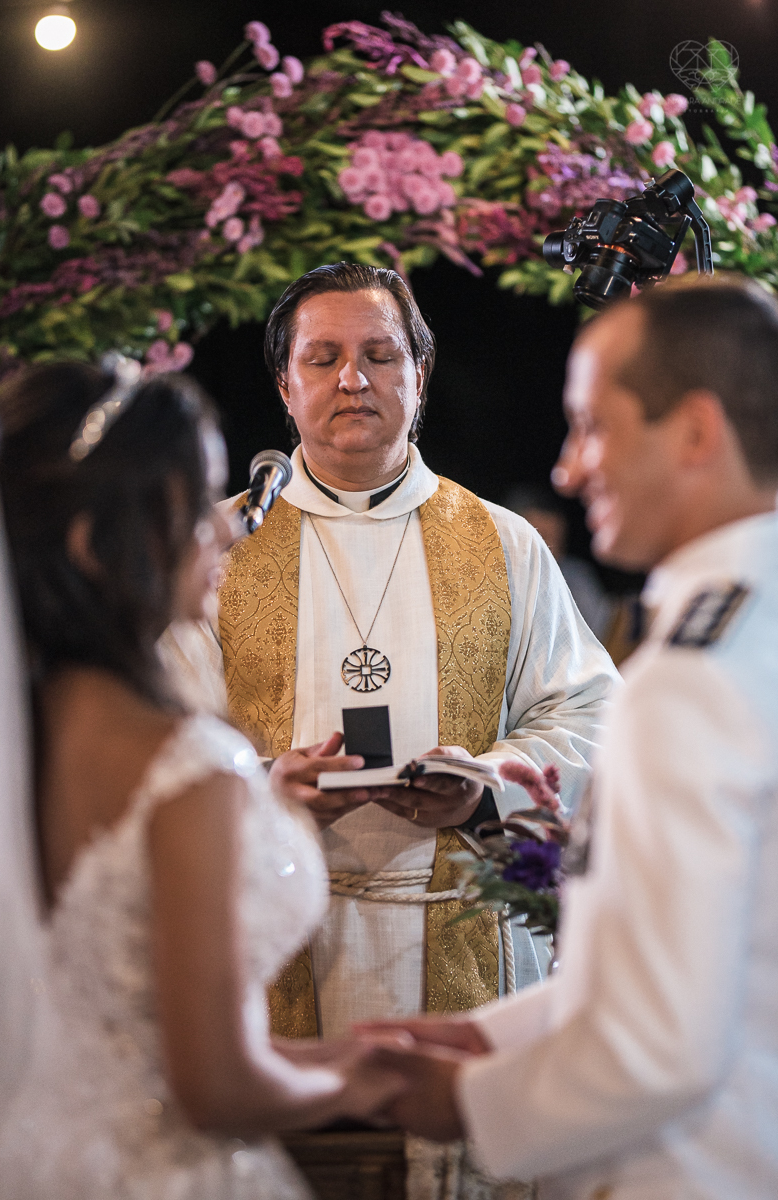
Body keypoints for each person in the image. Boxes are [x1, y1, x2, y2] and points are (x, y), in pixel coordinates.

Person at [362, 274, 778, 1200]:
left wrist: (471, 1101)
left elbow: (662, 1048)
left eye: (592, 425)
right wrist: (498, 1035)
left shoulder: (695, 681)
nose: (567, 467)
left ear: (697, 433)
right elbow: (720, 950)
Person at [0, 357, 405, 1200]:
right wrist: (365, 1084)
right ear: (94, 541)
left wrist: (336, 1051)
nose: (224, 532)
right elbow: (215, 1089)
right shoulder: (185, 769)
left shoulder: (15, 736)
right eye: (192, 505)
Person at [162, 261, 618, 1049]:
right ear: (283, 384)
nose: (352, 380)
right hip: (273, 923)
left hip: (459, 923)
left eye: (379, 355)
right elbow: (161, 733)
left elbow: (593, 711)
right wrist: (264, 790)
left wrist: (481, 792)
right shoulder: (218, 545)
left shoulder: (502, 542)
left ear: (420, 374)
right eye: (322, 358)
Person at [503, 483, 612, 639]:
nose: (552, 552)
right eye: (542, 539)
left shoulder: (576, 581)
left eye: (558, 542)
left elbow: (600, 637)